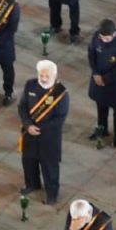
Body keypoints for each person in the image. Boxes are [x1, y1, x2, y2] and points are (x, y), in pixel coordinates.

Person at [18, 59, 69, 205]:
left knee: (50, 167)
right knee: (28, 161)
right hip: (29, 133)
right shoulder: (30, 85)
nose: (44, 78)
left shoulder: (61, 93)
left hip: (49, 137)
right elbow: (22, 107)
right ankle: (32, 184)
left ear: (55, 75)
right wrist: (28, 125)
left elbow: (60, 118)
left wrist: (39, 129)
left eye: (47, 76)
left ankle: (52, 194)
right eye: (41, 75)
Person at [87, 19, 116, 147]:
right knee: (100, 106)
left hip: (115, 83)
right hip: (98, 77)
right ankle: (102, 130)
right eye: (102, 37)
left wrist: (105, 79)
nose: (103, 40)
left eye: (107, 38)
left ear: (114, 34)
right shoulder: (97, 36)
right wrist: (95, 73)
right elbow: (91, 54)